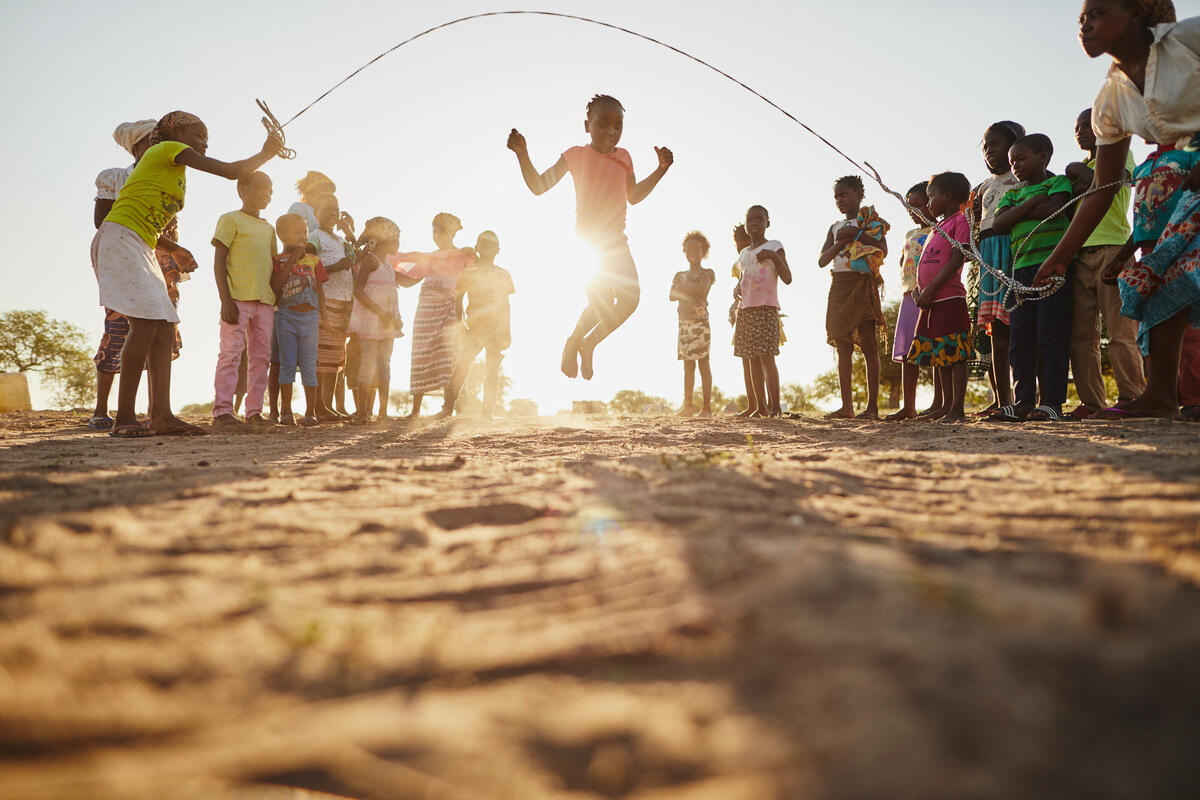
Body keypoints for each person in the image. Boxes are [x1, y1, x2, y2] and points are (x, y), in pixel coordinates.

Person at [1036, 0, 1200, 421]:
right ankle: (1161, 395)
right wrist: (1061, 256)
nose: (1085, 25)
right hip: (1176, 182)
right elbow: (1102, 188)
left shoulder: (1187, 40)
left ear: (1135, 13)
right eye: (1081, 19)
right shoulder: (1109, 98)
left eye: (1098, 13)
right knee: (1161, 271)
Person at [92, 111, 281, 438]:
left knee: (164, 327)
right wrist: (267, 152)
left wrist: (173, 248)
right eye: (198, 134)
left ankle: (161, 416)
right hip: (121, 238)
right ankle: (124, 417)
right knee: (146, 323)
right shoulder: (165, 150)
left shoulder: (174, 170)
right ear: (175, 131)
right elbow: (228, 171)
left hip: (142, 244)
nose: (205, 141)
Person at [507, 94, 673, 380]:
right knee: (600, 304)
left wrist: (660, 170)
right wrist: (523, 154)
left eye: (618, 126)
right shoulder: (576, 155)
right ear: (588, 125)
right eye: (603, 124)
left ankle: (589, 342)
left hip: (616, 243)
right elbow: (538, 186)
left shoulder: (625, 158)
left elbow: (633, 196)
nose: (611, 131)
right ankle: (573, 341)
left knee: (630, 300)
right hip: (588, 245)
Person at [1064, 107, 1145, 419]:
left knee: (1121, 331)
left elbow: (1111, 184)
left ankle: (1133, 396)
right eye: (1076, 126)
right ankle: (1093, 401)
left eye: (1087, 125)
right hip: (1079, 255)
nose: (1081, 131)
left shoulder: (1118, 155)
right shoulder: (1079, 168)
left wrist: (1079, 172)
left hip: (1114, 250)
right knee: (1082, 334)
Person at [991, 134, 1075, 421]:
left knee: (1050, 334)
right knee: (1020, 338)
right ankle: (1023, 400)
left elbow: (1055, 210)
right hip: (1021, 271)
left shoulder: (1058, 183)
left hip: (1052, 268)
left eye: (1021, 158)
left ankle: (1051, 402)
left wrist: (1020, 213)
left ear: (1043, 156)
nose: (1015, 166)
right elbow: (1000, 223)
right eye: (1012, 162)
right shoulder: (1012, 193)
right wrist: (1032, 205)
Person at [89, 118, 156, 430]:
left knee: (156, 334)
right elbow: (103, 220)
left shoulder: (164, 176)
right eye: (153, 139)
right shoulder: (116, 178)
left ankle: (155, 409)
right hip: (121, 255)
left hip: (157, 258)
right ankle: (102, 410)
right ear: (137, 146)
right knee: (119, 328)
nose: (159, 144)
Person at [391, 213, 477, 418]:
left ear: (444, 231)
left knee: (450, 354)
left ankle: (449, 407)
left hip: (450, 306)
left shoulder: (463, 255)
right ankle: (416, 410)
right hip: (426, 308)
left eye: (436, 230)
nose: (434, 235)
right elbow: (410, 280)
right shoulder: (429, 258)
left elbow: (477, 272)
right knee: (421, 352)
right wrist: (387, 273)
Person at [817, 175, 890, 419]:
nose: (840, 199)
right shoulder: (835, 227)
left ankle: (872, 408)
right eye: (836, 196)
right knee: (843, 345)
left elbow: (883, 249)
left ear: (859, 194)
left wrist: (857, 235)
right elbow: (822, 260)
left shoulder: (870, 220)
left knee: (869, 343)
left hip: (863, 283)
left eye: (845, 194)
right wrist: (842, 241)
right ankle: (847, 407)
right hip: (839, 286)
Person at [212, 171, 278, 429]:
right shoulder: (230, 219)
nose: (267, 194)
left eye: (270, 190)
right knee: (230, 355)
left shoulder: (269, 229)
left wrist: (275, 299)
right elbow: (219, 261)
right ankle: (223, 411)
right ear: (242, 190)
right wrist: (224, 300)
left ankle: (254, 412)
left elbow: (272, 265)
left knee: (261, 357)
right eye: (261, 188)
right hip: (236, 300)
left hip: (265, 302)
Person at [907, 173, 975, 423]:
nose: (929, 201)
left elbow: (957, 258)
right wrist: (920, 289)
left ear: (947, 196)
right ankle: (945, 406)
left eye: (931, 196)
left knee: (955, 353)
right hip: (931, 300)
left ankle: (957, 408)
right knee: (940, 353)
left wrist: (932, 288)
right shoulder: (938, 227)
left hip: (948, 298)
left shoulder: (960, 222)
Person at [973, 121, 1026, 415]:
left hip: (1013, 250)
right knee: (996, 328)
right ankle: (1002, 399)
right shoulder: (982, 188)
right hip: (989, 256)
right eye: (985, 146)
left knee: (1018, 323)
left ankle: (1025, 397)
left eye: (995, 144)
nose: (989, 150)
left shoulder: (1021, 178)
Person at [443, 231, 516, 418]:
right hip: (475, 325)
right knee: (464, 364)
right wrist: (460, 324)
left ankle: (487, 412)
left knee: (492, 369)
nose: (488, 249)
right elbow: (458, 301)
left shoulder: (503, 274)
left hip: (497, 327)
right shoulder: (467, 273)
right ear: (477, 248)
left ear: (498, 250)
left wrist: (507, 331)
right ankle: (448, 407)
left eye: (492, 245)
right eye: (484, 244)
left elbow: (506, 305)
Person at [270, 213, 327, 426]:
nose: (303, 236)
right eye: (298, 232)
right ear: (282, 235)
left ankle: (310, 412)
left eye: (305, 231)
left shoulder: (314, 261)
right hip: (285, 316)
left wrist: (325, 318)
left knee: (309, 365)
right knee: (286, 364)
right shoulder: (277, 260)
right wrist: (293, 258)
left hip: (310, 318)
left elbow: (320, 292)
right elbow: (276, 287)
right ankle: (286, 411)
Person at [734, 206, 792, 417]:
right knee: (751, 359)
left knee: (767, 357)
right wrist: (736, 288)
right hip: (746, 310)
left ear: (768, 222)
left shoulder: (775, 246)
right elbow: (745, 277)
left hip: (766, 308)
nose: (755, 223)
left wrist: (773, 257)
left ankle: (775, 406)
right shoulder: (743, 254)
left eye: (760, 219)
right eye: (750, 220)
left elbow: (787, 277)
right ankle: (760, 407)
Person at [348, 217, 407, 422]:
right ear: (385, 239)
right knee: (368, 364)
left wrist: (396, 317)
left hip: (388, 321)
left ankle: (382, 412)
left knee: (384, 364)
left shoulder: (388, 264)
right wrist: (381, 313)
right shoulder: (371, 261)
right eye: (396, 237)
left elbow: (394, 292)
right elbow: (358, 291)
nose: (399, 242)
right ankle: (363, 412)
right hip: (371, 320)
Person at [886, 182, 934, 421]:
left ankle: (939, 403)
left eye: (919, 205)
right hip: (909, 295)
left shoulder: (939, 230)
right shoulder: (910, 234)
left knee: (936, 347)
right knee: (907, 351)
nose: (914, 211)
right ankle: (909, 406)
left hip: (931, 294)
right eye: (910, 207)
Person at [310, 192, 357, 421]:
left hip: (343, 302)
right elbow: (308, 267)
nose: (332, 214)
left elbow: (357, 257)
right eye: (327, 209)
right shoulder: (314, 237)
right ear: (316, 212)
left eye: (335, 210)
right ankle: (318, 405)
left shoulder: (341, 241)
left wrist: (349, 232)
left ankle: (327, 405)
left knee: (335, 359)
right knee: (321, 356)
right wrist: (336, 266)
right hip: (324, 301)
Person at [670, 231, 716, 417]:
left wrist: (684, 290)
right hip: (684, 324)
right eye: (689, 249)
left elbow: (701, 290)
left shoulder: (708, 273)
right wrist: (691, 291)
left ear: (704, 252)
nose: (693, 252)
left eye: (697, 249)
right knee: (687, 366)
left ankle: (706, 408)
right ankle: (687, 407)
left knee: (703, 364)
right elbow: (671, 295)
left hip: (700, 324)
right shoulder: (679, 274)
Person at [729, 224, 766, 417]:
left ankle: (764, 404)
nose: (741, 245)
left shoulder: (760, 256)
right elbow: (741, 284)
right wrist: (733, 306)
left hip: (759, 311)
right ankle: (753, 404)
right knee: (745, 359)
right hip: (743, 311)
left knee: (761, 359)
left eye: (744, 240)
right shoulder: (740, 262)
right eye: (737, 242)